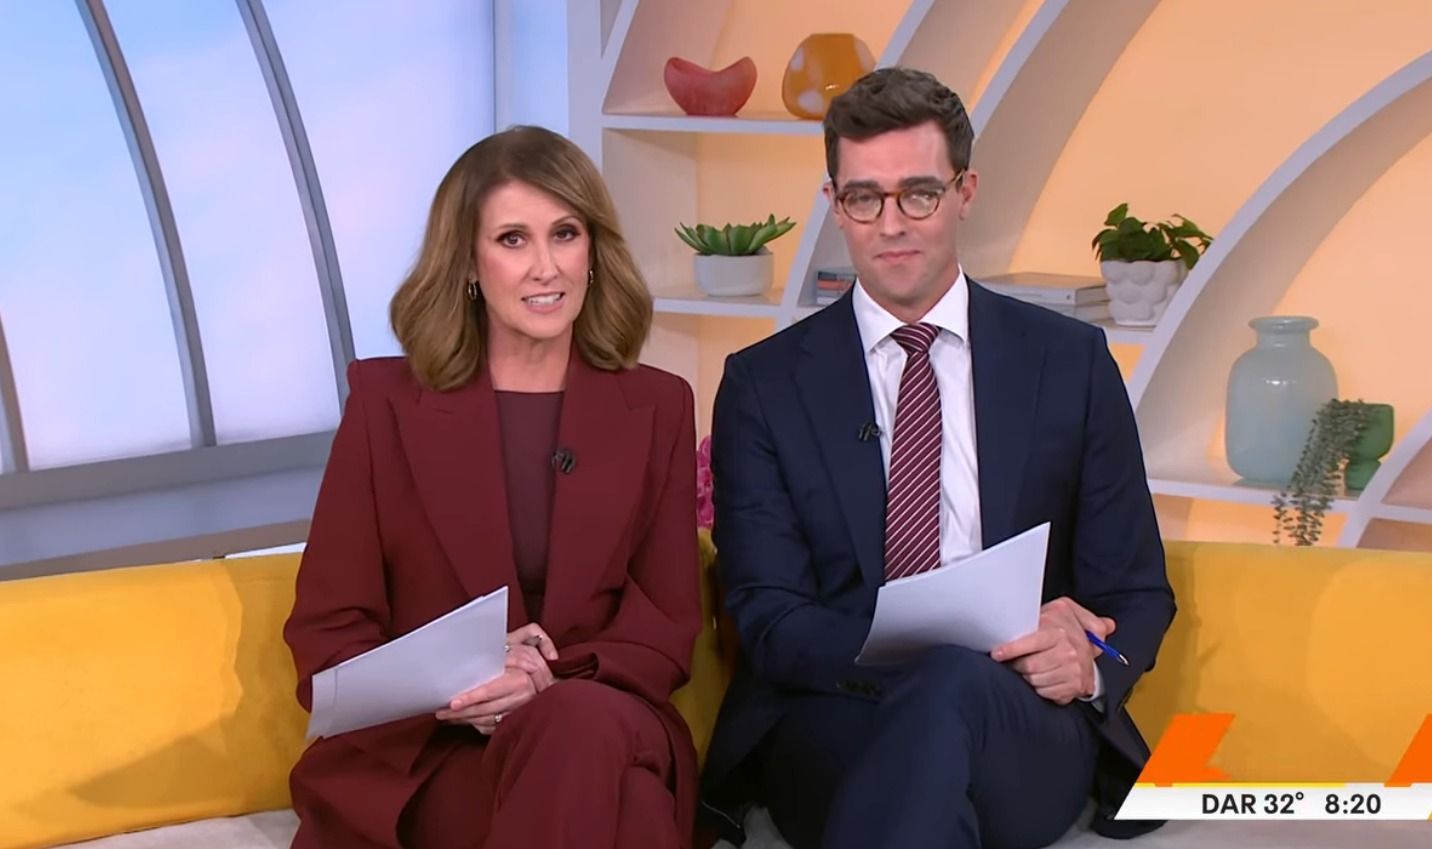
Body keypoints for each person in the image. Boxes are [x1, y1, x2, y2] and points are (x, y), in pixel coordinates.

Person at [699, 68, 1177, 849]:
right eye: (865, 198)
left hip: (1019, 718)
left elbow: (1137, 592)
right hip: (834, 713)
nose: (892, 224)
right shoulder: (764, 384)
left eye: (919, 194)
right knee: (934, 722)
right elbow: (770, 617)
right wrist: (939, 651)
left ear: (965, 191)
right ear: (834, 205)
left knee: (953, 689)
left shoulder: (1070, 361)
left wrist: (1089, 661)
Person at [283, 125, 702, 849]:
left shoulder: (658, 405)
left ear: (594, 251)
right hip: (436, 745)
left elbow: (666, 627)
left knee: (575, 723)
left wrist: (547, 678)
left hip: (602, 712)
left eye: (565, 234)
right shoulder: (385, 404)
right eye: (513, 239)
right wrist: (470, 678)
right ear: (469, 264)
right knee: (631, 811)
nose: (546, 266)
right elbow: (330, 634)